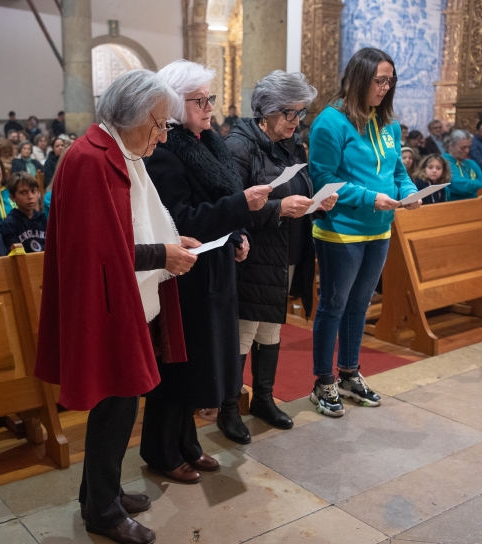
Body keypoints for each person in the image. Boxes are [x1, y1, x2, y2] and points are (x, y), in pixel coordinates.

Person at [34, 69, 198, 544]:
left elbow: (134, 225)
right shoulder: (90, 159)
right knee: (117, 404)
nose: (163, 136)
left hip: (125, 296)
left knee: (121, 404)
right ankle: (102, 512)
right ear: (131, 116)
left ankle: (100, 493)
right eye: (159, 124)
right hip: (104, 304)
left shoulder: (121, 150)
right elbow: (99, 250)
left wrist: (171, 240)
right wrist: (162, 254)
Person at [142, 60, 274, 474]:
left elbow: (216, 208)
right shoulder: (165, 154)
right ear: (176, 104)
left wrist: (237, 234)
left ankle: (187, 442)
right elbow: (180, 218)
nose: (209, 107)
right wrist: (240, 207)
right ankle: (161, 452)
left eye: (210, 98)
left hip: (214, 272)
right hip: (184, 275)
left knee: (199, 367)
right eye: (199, 100)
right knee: (179, 369)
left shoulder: (207, 144)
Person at [309, 47, 419, 417]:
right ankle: (323, 381)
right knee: (334, 307)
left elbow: (397, 172)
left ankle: (349, 373)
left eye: (391, 80)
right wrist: (370, 197)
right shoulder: (330, 121)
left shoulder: (389, 123)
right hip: (341, 230)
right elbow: (323, 179)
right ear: (360, 79)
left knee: (360, 305)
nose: (386, 87)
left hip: (379, 231)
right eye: (380, 80)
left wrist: (409, 193)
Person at [226, 70, 335, 434]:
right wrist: (279, 208)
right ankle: (228, 410)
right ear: (267, 110)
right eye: (289, 113)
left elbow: (295, 187)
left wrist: (317, 202)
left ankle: (263, 399)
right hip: (253, 254)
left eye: (301, 113)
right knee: (244, 332)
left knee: (271, 330)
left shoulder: (292, 143)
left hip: (287, 251)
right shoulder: (240, 146)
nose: (296, 121)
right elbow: (230, 208)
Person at [0, 172, 46, 252]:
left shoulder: (44, 218)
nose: (30, 197)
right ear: (13, 197)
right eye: (23, 192)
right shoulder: (9, 224)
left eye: (33, 191)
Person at [443, 129, 482, 200]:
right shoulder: (443, 163)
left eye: (469, 147)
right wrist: (480, 186)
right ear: (451, 146)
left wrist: (472, 191)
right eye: (463, 148)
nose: (467, 151)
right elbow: (458, 185)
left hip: (475, 205)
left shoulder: (472, 163)